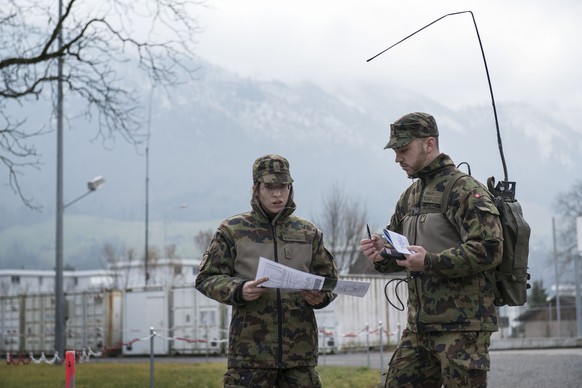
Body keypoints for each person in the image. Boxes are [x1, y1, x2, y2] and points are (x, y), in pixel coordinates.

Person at [360, 112, 503, 387]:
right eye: (395, 151)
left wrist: (430, 262)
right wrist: (383, 253)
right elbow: (401, 254)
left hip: (463, 328)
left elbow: (488, 249)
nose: (397, 158)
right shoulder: (410, 196)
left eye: (403, 149)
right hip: (418, 328)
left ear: (429, 144)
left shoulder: (464, 190)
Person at [196, 154, 338, 388]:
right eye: (270, 187)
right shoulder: (233, 230)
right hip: (249, 357)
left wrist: (321, 297)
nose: (277, 194)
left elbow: (329, 281)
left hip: (299, 359)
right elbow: (206, 278)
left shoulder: (308, 232)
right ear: (255, 188)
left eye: (283, 187)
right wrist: (239, 289)